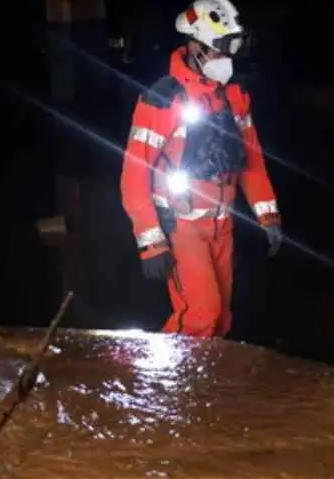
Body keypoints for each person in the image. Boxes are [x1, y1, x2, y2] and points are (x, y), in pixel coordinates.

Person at [119, 0, 282, 339]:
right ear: (194, 44)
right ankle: (167, 388)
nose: (226, 58)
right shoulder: (163, 99)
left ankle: (205, 388)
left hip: (222, 222)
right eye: (219, 49)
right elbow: (134, 174)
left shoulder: (234, 97)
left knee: (221, 319)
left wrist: (268, 214)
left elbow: (250, 160)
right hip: (181, 226)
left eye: (231, 48)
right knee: (200, 315)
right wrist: (151, 241)